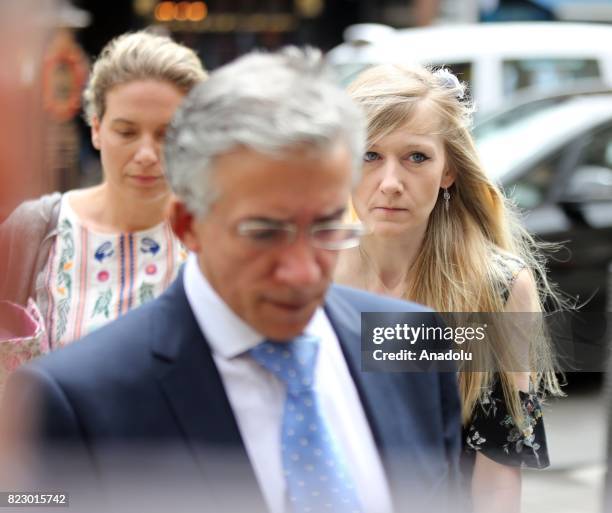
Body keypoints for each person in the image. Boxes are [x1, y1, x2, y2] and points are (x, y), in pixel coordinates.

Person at [0, 48, 462, 513]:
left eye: (325, 227)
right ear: (188, 225)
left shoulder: (420, 338)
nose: (301, 271)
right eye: (263, 233)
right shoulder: (74, 400)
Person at [334, 64, 563, 513]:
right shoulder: (306, 277)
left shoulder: (495, 288)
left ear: (449, 171)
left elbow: (497, 474)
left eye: (416, 157)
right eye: (369, 155)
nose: (391, 183)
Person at [0, 30, 207, 350]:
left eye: (167, 134)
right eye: (127, 132)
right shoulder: (36, 229)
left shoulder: (213, 239)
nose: (147, 155)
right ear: (97, 129)